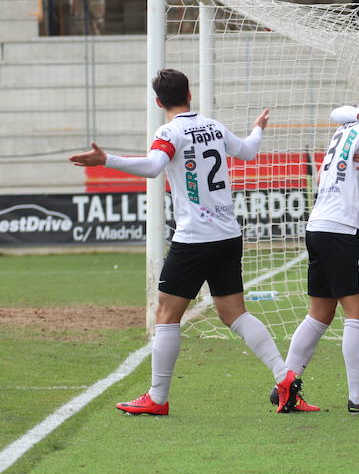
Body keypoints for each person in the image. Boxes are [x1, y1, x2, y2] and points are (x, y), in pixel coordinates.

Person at [69, 68, 305, 416]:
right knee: (235, 313)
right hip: (228, 235)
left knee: (166, 313)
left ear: (158, 101)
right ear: (189, 95)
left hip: (195, 238)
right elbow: (250, 152)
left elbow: (152, 167)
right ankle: (284, 377)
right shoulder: (215, 126)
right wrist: (258, 127)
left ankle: (157, 398)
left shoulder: (169, 131)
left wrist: (108, 160)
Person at [282, 73, 359, 413]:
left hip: (318, 225)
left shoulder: (344, 128)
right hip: (340, 230)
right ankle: (358, 396)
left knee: (319, 315)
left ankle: (286, 387)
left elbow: (327, 173)